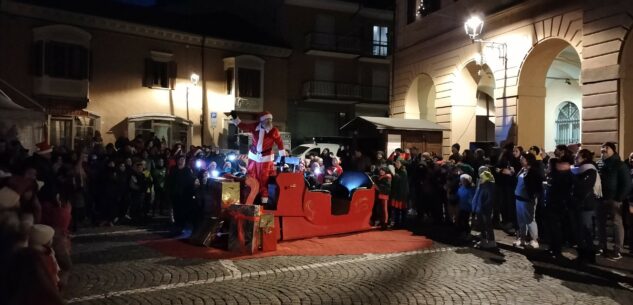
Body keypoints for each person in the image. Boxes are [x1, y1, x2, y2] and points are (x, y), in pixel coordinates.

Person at [231, 111, 285, 204]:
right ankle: (251, 196)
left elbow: (280, 143)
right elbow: (242, 126)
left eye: (270, 120)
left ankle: (264, 200)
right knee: (252, 176)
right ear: (262, 121)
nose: (269, 122)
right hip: (254, 156)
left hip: (266, 158)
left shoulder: (274, 131)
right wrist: (235, 117)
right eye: (267, 120)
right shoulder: (255, 126)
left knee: (264, 178)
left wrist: (283, 157)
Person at [597, 142, 632, 260]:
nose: (603, 150)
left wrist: (619, 198)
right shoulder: (600, 163)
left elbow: (627, 184)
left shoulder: (620, 165)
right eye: (602, 149)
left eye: (606, 148)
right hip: (601, 198)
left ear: (613, 150)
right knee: (600, 224)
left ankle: (618, 250)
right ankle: (602, 246)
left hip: (614, 199)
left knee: (617, 224)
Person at [571, 149, 601, 263]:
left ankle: (589, 256)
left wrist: (573, 179)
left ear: (584, 158)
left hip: (585, 204)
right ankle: (582, 255)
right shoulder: (577, 170)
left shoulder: (589, 170)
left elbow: (583, 187)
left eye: (577, 157)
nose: (575, 158)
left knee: (585, 231)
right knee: (580, 231)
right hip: (579, 204)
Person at [544, 155, 574, 259]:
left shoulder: (562, 175)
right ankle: (552, 247)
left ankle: (556, 250)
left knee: (556, 228)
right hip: (551, 203)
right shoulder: (554, 174)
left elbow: (562, 190)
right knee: (551, 228)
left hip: (557, 204)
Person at [513, 152, 543, 248]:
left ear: (528, 161)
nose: (520, 160)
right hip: (519, 198)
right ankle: (522, 238)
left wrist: (533, 195)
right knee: (521, 220)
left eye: (522, 158)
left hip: (527, 199)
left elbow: (538, 186)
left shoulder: (533, 172)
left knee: (530, 220)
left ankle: (534, 240)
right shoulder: (522, 170)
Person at [473, 168, 496, 249]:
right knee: (482, 224)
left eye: (482, 178)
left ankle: (491, 241)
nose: (480, 179)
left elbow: (489, 199)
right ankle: (483, 240)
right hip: (480, 208)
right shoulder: (482, 185)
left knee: (487, 224)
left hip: (485, 209)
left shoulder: (489, 187)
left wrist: (482, 207)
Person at [389, 160, 409, 228]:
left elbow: (399, 179)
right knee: (396, 209)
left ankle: (403, 224)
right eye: (396, 162)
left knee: (402, 209)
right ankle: (397, 223)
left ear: (401, 164)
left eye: (398, 163)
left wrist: (394, 173)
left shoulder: (403, 171)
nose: (396, 164)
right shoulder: (396, 170)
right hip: (396, 192)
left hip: (402, 193)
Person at [456, 174, 475, 240]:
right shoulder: (461, 187)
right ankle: (463, 233)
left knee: (465, 221)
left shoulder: (471, 189)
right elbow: (458, 195)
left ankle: (468, 234)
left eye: (463, 180)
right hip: (461, 207)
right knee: (460, 221)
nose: (462, 181)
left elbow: (471, 199)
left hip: (467, 208)